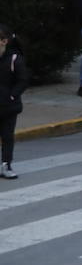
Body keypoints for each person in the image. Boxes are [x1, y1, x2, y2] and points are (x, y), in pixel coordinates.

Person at [0, 25, 28, 179]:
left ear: (4, 41)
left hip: (9, 106)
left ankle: (6, 164)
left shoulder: (15, 59)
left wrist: (12, 96)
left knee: (7, 136)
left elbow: (22, 81)